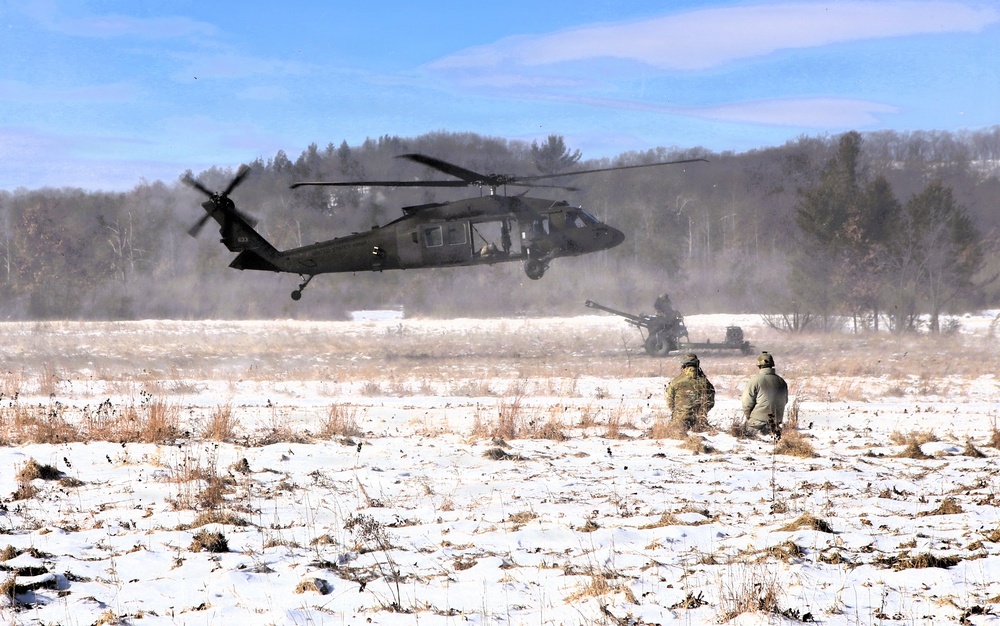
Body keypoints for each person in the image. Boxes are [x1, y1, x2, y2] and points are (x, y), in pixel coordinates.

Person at [741, 351, 789, 437]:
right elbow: (785, 401)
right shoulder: (782, 381)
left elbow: (746, 403)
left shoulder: (754, 380)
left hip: (757, 424)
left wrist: (750, 418)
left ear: (759, 365)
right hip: (776, 423)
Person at [665, 353, 715, 430]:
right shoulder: (705, 382)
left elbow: (669, 402)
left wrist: (679, 413)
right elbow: (710, 402)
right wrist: (701, 413)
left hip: (678, 422)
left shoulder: (676, 381)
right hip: (699, 423)